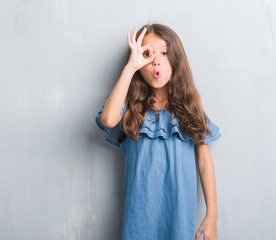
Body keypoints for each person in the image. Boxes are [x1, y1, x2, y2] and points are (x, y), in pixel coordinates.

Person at [95, 23, 221, 240]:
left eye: (164, 52)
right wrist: (130, 67)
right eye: (147, 54)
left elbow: (204, 160)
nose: (156, 61)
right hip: (140, 217)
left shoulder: (191, 103)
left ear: (176, 58)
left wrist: (212, 215)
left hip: (179, 217)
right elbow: (108, 119)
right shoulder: (131, 105)